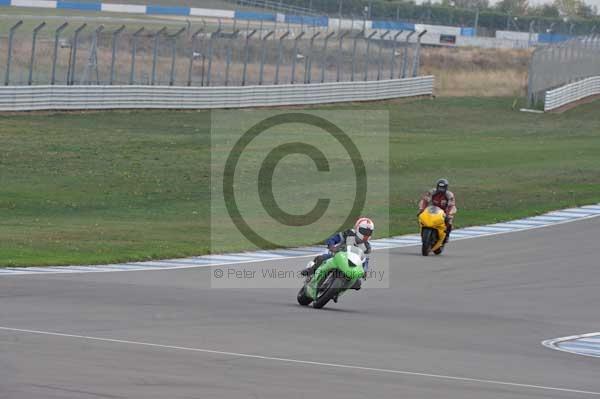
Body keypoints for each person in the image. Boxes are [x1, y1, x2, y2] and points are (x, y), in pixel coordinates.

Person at [300, 217, 374, 282]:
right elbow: (333, 238)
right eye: (364, 231)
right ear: (357, 228)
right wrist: (332, 246)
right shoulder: (348, 233)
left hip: (350, 264)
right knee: (322, 258)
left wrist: (364, 271)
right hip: (336, 255)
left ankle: (336, 292)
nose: (366, 234)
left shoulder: (367, 247)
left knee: (357, 283)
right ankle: (311, 270)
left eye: (368, 232)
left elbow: (365, 260)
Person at [418, 178, 457, 246]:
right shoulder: (432, 191)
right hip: (433, 209)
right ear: (437, 186)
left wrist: (447, 215)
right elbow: (425, 200)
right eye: (439, 187)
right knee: (423, 217)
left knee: (449, 221)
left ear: (446, 187)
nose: (441, 189)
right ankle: (424, 232)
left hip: (446, 210)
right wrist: (422, 209)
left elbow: (451, 205)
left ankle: (446, 236)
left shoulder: (449, 195)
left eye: (443, 187)